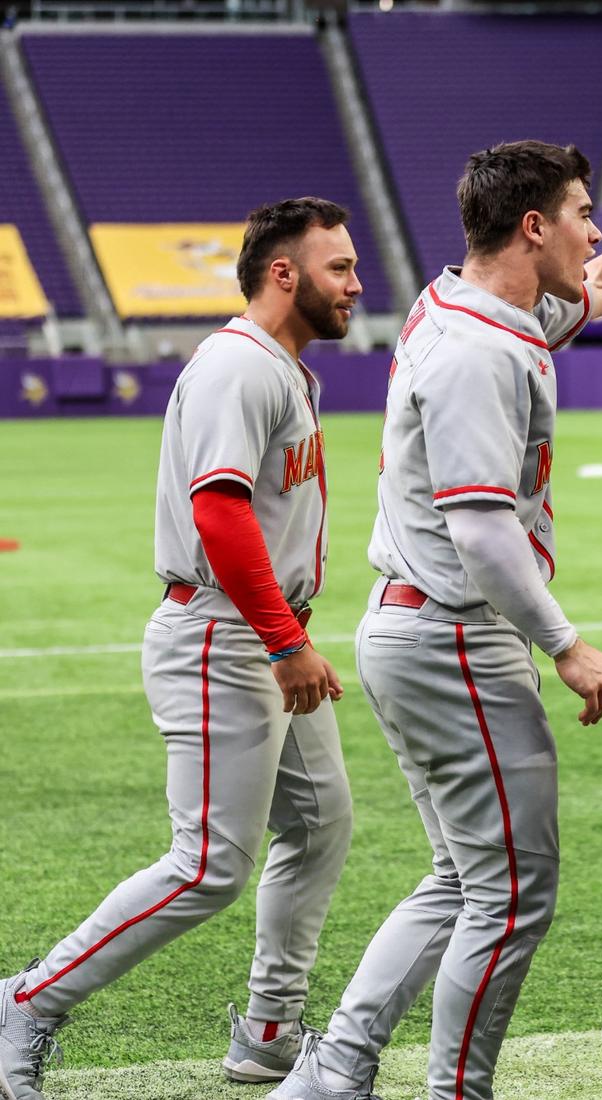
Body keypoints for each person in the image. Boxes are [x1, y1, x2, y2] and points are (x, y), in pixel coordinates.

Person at [271, 140, 602, 1100]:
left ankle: (336, 1070)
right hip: (452, 632)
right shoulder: (483, 350)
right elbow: (481, 525)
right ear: (533, 226)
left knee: (462, 878)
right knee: (514, 892)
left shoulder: (470, 303)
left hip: (413, 623)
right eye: (579, 210)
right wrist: (566, 643)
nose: (594, 229)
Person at [0, 199, 362, 1098]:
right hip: (225, 635)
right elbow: (220, 509)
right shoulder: (241, 368)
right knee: (207, 865)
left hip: (264, 630)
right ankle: (26, 1001)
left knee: (319, 827)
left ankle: (270, 1031)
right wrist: (284, 642)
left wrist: (286, 635)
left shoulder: (280, 368)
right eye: (339, 268)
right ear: (285, 274)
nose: (357, 285)